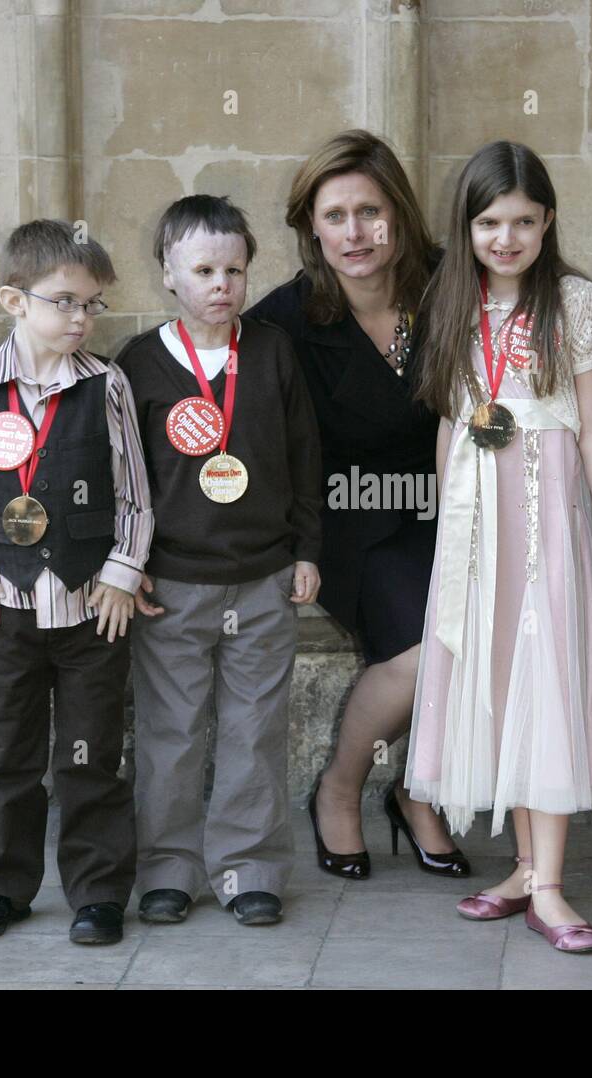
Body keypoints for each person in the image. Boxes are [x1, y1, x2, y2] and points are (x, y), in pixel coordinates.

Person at [404, 141, 592, 954]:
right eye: (490, 221)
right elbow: (450, 417)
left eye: (523, 221)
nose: (506, 237)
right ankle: (524, 868)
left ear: (548, 222)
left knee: (548, 676)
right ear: (467, 227)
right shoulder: (453, 299)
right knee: (497, 678)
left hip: (546, 514)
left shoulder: (571, 300)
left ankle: (552, 885)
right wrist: (445, 534)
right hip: (474, 517)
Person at [247, 129, 468, 879]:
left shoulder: (449, 288)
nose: (354, 233)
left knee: (497, 626)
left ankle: (417, 789)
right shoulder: (286, 321)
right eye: (335, 215)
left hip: (453, 502)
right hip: (348, 515)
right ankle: (340, 788)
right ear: (311, 224)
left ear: (399, 215)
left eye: (370, 212)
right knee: (420, 650)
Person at [0, 218, 153, 945]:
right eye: (64, 301)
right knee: (9, 758)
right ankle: (2, 888)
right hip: (8, 609)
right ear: (14, 301)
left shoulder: (106, 384)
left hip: (92, 611)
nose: (82, 318)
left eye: (93, 304)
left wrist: (123, 573)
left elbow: (134, 493)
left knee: (91, 757)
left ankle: (97, 892)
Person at [116, 195, 322, 926]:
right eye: (202, 268)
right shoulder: (137, 364)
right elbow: (122, 476)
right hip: (170, 582)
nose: (221, 284)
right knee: (170, 732)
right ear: (168, 273)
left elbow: (304, 456)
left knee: (253, 727)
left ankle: (249, 866)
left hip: (265, 576)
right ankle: (168, 867)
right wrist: (127, 563)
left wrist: (307, 549)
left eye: (234, 269)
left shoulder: (270, 352)